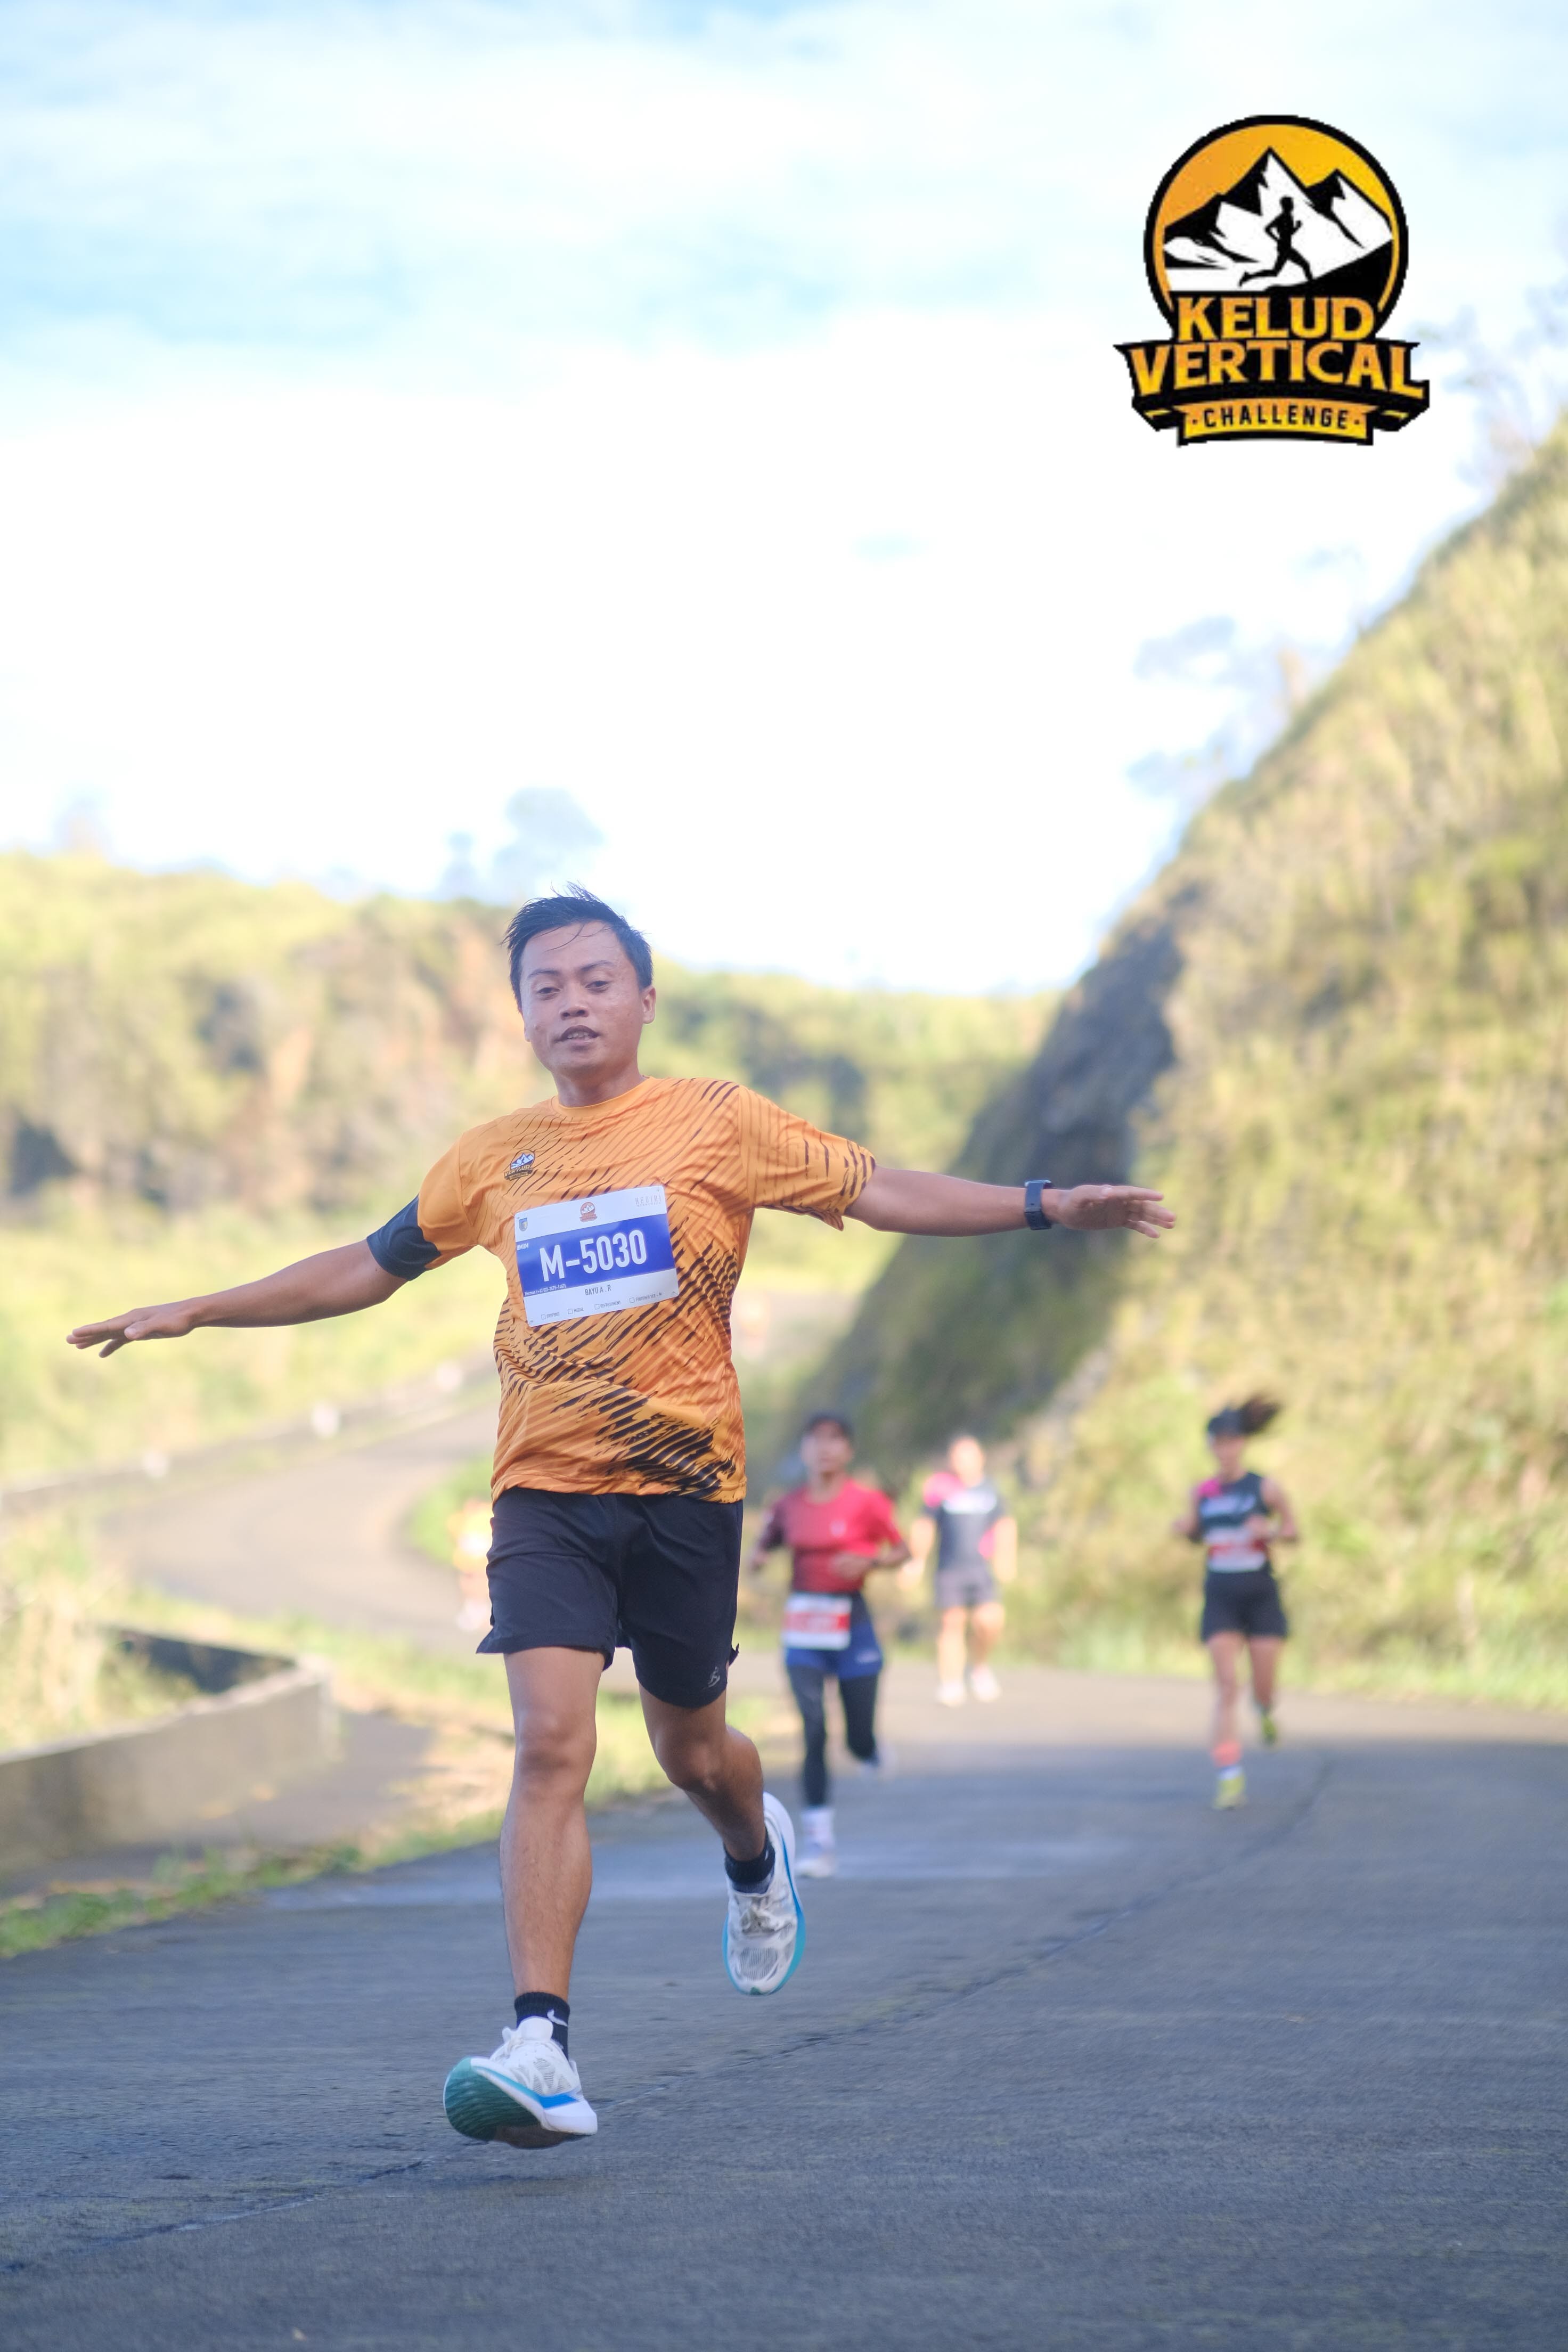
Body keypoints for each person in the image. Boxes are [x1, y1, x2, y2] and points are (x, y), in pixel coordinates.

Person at [68, 887, 1174, 2152]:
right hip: (543, 1491)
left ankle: (752, 1853)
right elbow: (363, 1266)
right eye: (546, 986)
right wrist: (200, 1307)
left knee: (692, 1751)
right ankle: (540, 2041)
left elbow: (880, 1191)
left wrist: (1043, 1203)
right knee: (550, 1742)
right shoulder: (489, 1158)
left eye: (596, 979)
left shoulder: (717, 1121)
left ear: (644, 998)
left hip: (687, 1492)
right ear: (522, 1014)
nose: (572, 1002)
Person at [748, 1411, 909, 1878]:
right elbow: (767, 1540)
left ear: (848, 1450)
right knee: (814, 1728)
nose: (824, 1448)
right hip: (804, 1628)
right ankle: (820, 1843)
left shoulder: (867, 1503)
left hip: (852, 1624)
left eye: (835, 1439)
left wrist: (871, 1563)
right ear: (804, 1450)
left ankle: (870, 1750)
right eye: (815, 1439)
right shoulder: (789, 1505)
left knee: (857, 1738)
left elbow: (902, 1550)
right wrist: (758, 1558)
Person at [1172, 1396, 1299, 1809]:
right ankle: (1229, 1776)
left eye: (1233, 1441)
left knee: (1263, 1688)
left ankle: (1264, 1710)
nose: (1226, 1450)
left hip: (1261, 1595)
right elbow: (1194, 1533)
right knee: (1227, 1686)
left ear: (1242, 1444)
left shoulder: (1264, 1488)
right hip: (1221, 1596)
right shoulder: (1203, 1493)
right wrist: (1184, 1529)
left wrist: (1272, 1532)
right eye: (1219, 1442)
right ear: (1211, 1446)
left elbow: (1294, 1531)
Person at [907, 1436, 1017, 1705]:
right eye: (958, 1457)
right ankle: (951, 1682)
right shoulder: (940, 1488)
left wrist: (1007, 1558)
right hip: (950, 1570)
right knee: (951, 1624)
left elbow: (1004, 1525)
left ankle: (979, 1667)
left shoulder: (991, 1489)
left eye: (968, 1457)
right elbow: (925, 1525)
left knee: (990, 1621)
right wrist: (916, 1561)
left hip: (981, 1570)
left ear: (981, 1459)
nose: (962, 1463)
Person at [450, 1494, 493, 1631]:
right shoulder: (461, 1519)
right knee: (470, 1582)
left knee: (482, 1583)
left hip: (482, 1559)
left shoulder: (487, 1516)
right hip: (470, 1559)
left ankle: (484, 1616)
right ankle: (476, 1614)